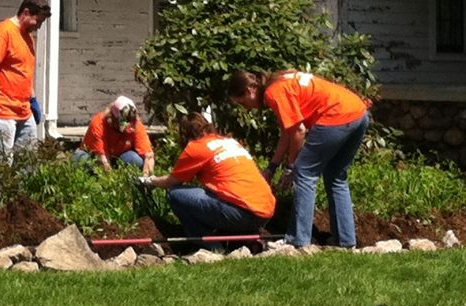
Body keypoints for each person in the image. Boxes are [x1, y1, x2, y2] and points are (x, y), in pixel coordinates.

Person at [231, 67, 372, 249]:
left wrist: (291, 167)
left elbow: (299, 131)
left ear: (250, 90)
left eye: (243, 102)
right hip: (358, 112)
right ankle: (345, 240)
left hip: (336, 116)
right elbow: (287, 132)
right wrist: (272, 167)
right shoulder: (281, 80)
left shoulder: (274, 92)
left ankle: (299, 240)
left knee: (304, 173)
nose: (247, 108)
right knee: (336, 175)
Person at [141, 111, 275, 240]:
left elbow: (172, 182)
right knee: (211, 193)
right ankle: (240, 240)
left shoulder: (196, 147)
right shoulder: (230, 142)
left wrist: (151, 181)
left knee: (175, 195)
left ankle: (210, 246)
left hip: (241, 214)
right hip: (265, 213)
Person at [0, 0, 49, 200]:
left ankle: (21, 203)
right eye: (38, 20)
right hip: (2, 109)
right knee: (3, 158)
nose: (39, 26)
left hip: (23, 108)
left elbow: (24, 73)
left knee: (27, 159)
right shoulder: (2, 33)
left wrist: (33, 100)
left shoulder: (27, 38)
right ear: (26, 13)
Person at [77, 94, 154, 173]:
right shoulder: (99, 123)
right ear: (112, 118)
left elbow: (148, 156)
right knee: (80, 159)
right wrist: (111, 181)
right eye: (124, 123)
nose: (129, 127)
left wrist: (147, 178)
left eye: (130, 122)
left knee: (135, 160)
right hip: (95, 156)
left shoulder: (136, 124)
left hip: (120, 157)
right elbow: (103, 159)